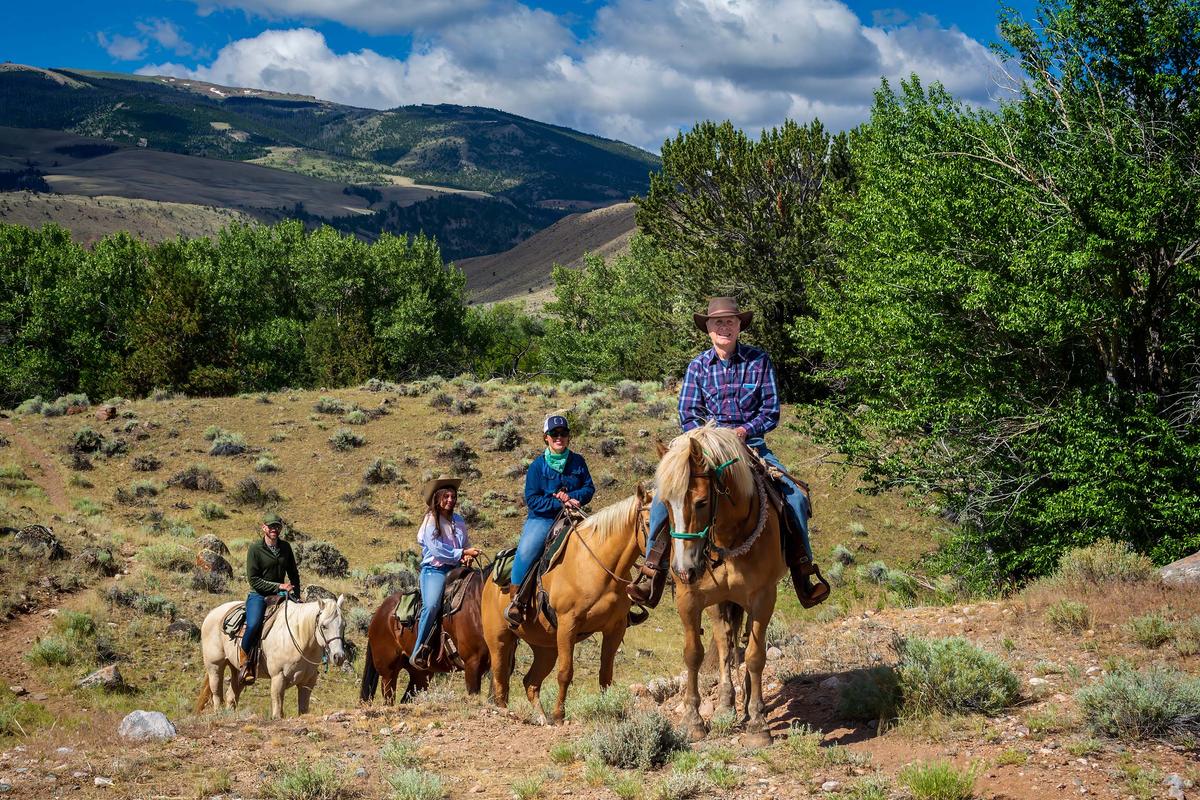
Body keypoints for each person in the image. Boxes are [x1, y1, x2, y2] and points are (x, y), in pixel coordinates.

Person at [627, 296, 828, 608]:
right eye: (718, 322)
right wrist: (713, 438)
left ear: (739, 326)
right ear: (708, 328)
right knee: (663, 501)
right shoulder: (697, 367)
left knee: (795, 497)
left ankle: (804, 571)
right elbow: (688, 415)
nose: (724, 327)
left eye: (730, 321)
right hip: (705, 451)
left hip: (751, 447)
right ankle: (653, 570)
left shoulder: (758, 361)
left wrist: (744, 431)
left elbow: (770, 410)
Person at [504, 414, 595, 626]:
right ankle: (516, 601)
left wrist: (574, 499)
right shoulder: (537, 466)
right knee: (526, 550)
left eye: (563, 433)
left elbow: (589, 487)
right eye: (554, 434)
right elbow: (533, 499)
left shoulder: (578, 461)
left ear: (569, 437)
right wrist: (558, 503)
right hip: (543, 519)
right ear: (546, 437)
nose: (559, 437)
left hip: (574, 515)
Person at [412, 476, 480, 670]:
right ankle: (420, 648)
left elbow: (465, 542)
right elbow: (436, 550)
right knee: (432, 605)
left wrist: (467, 553)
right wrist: (461, 553)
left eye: (453, 496)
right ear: (438, 497)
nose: (451, 500)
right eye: (446, 496)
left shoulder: (459, 520)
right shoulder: (430, 521)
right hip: (435, 571)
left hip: (456, 569)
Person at [240, 512, 301, 684]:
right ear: (263, 528)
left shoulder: (285, 547)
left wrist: (296, 594)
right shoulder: (255, 549)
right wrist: (279, 586)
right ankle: (244, 658)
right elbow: (254, 580)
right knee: (253, 624)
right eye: (271, 526)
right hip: (259, 595)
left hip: (280, 595)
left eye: (277, 526)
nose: (274, 529)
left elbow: (293, 573)